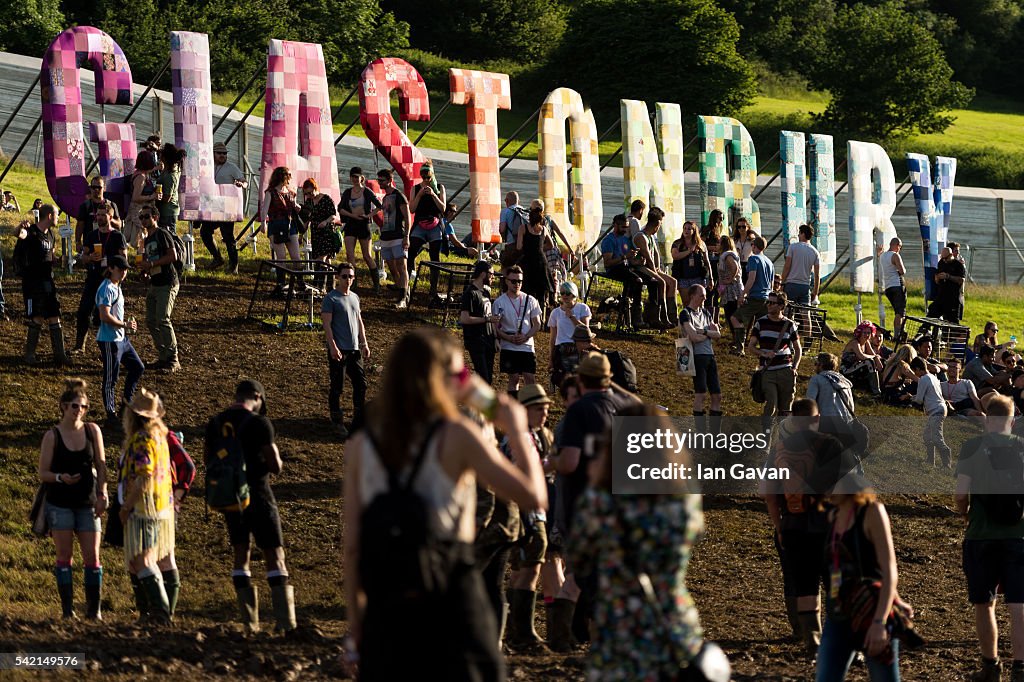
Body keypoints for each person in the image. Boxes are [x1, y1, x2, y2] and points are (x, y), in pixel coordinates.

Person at [343, 328, 546, 679]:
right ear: (443, 380)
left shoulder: (362, 446)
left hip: (387, 607)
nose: (466, 381)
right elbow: (533, 496)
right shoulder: (457, 436)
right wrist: (515, 427)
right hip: (450, 600)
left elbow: (353, 547)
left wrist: (357, 627)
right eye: (460, 374)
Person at [574, 403, 708, 680]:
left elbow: (579, 557)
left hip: (621, 630)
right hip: (676, 626)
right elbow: (696, 535)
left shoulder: (601, 502)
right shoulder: (685, 500)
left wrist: (595, 479)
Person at [549, 353, 635, 651]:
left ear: (581, 380)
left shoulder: (580, 410)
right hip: (622, 509)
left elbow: (570, 462)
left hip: (582, 508)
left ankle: (561, 636)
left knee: (577, 577)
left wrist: (550, 462)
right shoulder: (626, 407)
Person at [206, 379, 296, 634]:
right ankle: (286, 624)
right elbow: (275, 466)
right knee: (275, 556)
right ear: (257, 396)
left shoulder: (215, 422)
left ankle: (249, 624)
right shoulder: (260, 423)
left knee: (240, 556)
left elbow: (207, 459)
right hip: (258, 494)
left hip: (232, 499)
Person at [761, 399, 850, 656]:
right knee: (835, 582)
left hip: (793, 524)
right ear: (817, 418)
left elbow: (768, 493)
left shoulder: (778, 450)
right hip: (828, 525)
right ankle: (836, 637)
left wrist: (779, 525)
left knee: (803, 582)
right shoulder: (832, 445)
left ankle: (810, 633)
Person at [954, 395, 1024, 682]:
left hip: (981, 535)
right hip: (1018, 537)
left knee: (984, 603)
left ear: (986, 418)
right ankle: (1020, 669)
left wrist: (966, 514)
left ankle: (990, 666)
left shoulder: (972, 447)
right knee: (1019, 606)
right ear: (1012, 419)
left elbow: (960, 494)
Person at [817, 476, 905, 681]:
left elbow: (889, 569)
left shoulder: (872, 512)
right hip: (838, 616)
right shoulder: (831, 515)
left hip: (871, 613)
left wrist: (880, 622)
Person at [38, 378, 108, 619]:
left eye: (84, 407)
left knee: (93, 557)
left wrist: (103, 493)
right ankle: (67, 610)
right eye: (75, 406)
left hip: (88, 502)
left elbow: (101, 463)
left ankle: (94, 610)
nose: (80, 411)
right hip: (60, 504)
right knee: (64, 556)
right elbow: (42, 472)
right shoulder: (52, 436)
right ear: (64, 407)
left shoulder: (93, 431)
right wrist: (60, 478)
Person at [118, 388, 175, 624]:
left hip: (144, 508)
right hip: (163, 507)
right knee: (157, 559)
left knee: (141, 560)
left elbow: (143, 475)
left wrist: (126, 506)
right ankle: (157, 612)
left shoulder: (141, 438)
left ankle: (159, 612)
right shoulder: (160, 437)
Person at [505, 384, 554, 652]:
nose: (544, 413)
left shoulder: (539, 435)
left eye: (546, 408)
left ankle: (517, 630)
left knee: (525, 569)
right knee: (530, 567)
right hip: (525, 510)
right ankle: (522, 633)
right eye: (539, 408)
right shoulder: (519, 439)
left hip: (534, 510)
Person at [17, 204, 71, 366]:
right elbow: (18, 234)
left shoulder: (51, 235)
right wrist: (20, 227)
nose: (58, 218)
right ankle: (29, 355)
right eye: (56, 215)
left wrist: (57, 260)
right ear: (49, 216)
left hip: (48, 280)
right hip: (33, 282)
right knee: (38, 317)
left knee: (54, 314)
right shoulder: (32, 232)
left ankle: (60, 355)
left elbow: (50, 254)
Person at [321, 262, 369, 440]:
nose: (348, 280)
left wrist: (363, 343)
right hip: (339, 349)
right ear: (337, 277)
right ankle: (337, 420)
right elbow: (327, 325)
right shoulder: (331, 299)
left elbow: (359, 321)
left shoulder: (355, 297)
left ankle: (358, 419)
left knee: (361, 384)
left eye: (351, 276)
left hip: (354, 349)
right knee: (337, 386)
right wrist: (333, 346)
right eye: (344, 276)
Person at [95, 255, 143, 428]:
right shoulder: (106, 288)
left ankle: (125, 403)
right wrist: (124, 324)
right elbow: (104, 315)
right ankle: (111, 414)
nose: (124, 273)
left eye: (126, 270)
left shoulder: (116, 286)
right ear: (112, 268)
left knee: (138, 367)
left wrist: (127, 326)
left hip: (120, 338)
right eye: (121, 269)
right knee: (111, 378)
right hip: (110, 340)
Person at [73, 201, 127, 353]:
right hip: (92, 279)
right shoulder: (91, 235)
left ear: (110, 216)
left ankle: (110, 347)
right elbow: (83, 257)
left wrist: (117, 276)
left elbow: (124, 260)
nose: (101, 218)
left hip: (109, 281)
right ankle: (79, 346)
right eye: (98, 215)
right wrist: (90, 258)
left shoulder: (117, 236)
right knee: (83, 311)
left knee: (103, 317)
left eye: (104, 215)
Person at [748, 290, 802, 432]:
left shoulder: (790, 325)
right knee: (771, 404)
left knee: (785, 409)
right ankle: (766, 436)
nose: (768, 305)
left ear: (781, 306)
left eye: (772, 303)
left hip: (786, 370)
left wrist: (794, 368)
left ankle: (782, 439)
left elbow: (798, 349)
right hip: (768, 371)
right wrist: (763, 354)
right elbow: (751, 346)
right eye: (768, 302)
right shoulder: (760, 323)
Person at [138, 206, 180, 372]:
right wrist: (146, 272)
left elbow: (173, 256)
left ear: (155, 217)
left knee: (163, 318)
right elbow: (151, 262)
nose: (143, 220)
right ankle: (163, 356)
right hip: (155, 282)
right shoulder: (147, 239)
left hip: (168, 282)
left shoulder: (162, 234)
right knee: (150, 320)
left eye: (146, 216)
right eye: (141, 217)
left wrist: (152, 264)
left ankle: (173, 359)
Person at [199, 141, 248, 274]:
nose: (222, 155)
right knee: (205, 232)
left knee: (228, 237)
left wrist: (241, 184)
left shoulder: (231, 167)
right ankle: (217, 258)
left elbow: (244, 181)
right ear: (213, 154)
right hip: (211, 206)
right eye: (219, 153)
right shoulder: (207, 167)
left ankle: (234, 265)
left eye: (224, 153)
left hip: (227, 207)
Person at [680, 284, 723, 433]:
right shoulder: (685, 313)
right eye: (702, 295)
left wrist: (702, 331)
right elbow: (693, 337)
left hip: (710, 356)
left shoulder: (706, 313)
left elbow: (718, 335)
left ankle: (715, 434)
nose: (705, 297)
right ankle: (700, 432)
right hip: (697, 357)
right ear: (692, 295)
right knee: (701, 394)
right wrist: (708, 333)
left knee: (717, 396)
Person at [493, 265, 543, 396]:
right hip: (509, 344)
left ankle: (530, 408)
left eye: (519, 281)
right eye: (513, 281)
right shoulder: (499, 302)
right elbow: (495, 327)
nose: (517, 284)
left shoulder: (530, 300)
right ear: (506, 281)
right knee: (513, 378)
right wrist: (507, 338)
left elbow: (537, 324)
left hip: (526, 345)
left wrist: (526, 337)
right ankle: (514, 407)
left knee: (530, 378)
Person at [337, 167, 383, 292]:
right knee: (349, 255)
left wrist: (368, 215)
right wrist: (352, 215)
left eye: (357, 177)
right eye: (353, 177)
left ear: (361, 178)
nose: (355, 179)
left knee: (367, 255)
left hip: (363, 224)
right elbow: (340, 208)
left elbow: (379, 206)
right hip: (351, 224)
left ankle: (376, 284)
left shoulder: (366, 191)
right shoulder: (348, 192)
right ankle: (353, 284)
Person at [407, 162, 447, 299]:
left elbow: (443, 209)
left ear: (432, 176)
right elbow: (411, 209)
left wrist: (433, 195)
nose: (426, 180)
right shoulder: (415, 188)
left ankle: (433, 289)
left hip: (435, 224)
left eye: (428, 177)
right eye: (423, 177)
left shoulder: (439, 188)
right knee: (411, 252)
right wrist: (419, 195)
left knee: (434, 257)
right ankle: (406, 285)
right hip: (420, 223)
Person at [600, 213, 646, 330]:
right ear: (615, 225)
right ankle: (635, 315)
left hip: (625, 267)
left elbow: (629, 258)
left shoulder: (625, 239)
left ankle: (634, 310)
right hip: (614, 269)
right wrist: (625, 257)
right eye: (623, 227)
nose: (625, 230)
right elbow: (608, 263)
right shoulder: (609, 240)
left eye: (627, 227)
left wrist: (637, 260)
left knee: (649, 279)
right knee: (636, 280)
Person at [631, 207, 675, 329]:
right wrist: (656, 272)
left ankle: (671, 315)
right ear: (657, 225)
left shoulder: (650, 236)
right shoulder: (641, 236)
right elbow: (648, 257)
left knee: (672, 281)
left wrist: (658, 269)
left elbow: (655, 254)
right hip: (640, 267)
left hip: (650, 267)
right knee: (661, 282)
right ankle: (659, 316)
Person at [260, 166, 302, 294]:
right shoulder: (271, 192)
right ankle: (281, 283)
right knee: (281, 257)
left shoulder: (291, 192)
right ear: (282, 177)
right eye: (288, 176)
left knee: (296, 256)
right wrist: (263, 223)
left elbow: (297, 208)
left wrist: (296, 205)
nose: (290, 178)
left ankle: (299, 282)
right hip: (276, 225)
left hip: (290, 225)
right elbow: (265, 209)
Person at [459, 260, 501, 385]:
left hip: (488, 340)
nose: (493, 277)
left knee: (488, 379)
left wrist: (495, 339)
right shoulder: (470, 293)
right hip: (476, 340)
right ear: (483, 274)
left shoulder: (486, 292)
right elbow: (464, 319)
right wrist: (487, 319)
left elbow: (490, 316)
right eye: (491, 274)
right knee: (483, 378)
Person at [376, 168, 412, 309]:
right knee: (391, 266)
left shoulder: (399, 196)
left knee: (401, 266)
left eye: (382, 180)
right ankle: (402, 290)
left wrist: (406, 236)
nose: (380, 183)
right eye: (379, 180)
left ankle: (403, 297)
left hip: (398, 236)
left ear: (390, 181)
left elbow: (407, 217)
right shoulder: (385, 198)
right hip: (386, 236)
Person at [731, 235, 774, 353]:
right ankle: (765, 347)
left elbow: (752, 278)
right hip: (766, 298)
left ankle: (740, 348)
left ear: (754, 246)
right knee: (762, 324)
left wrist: (743, 294)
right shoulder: (769, 262)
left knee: (735, 318)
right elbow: (771, 283)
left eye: (752, 245)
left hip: (755, 297)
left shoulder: (753, 259)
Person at [299, 177, 340, 289]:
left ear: (315, 188)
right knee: (325, 260)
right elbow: (307, 219)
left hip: (326, 232)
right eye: (306, 193)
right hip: (315, 233)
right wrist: (302, 234)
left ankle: (319, 285)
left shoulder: (326, 199)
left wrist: (325, 221)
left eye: (310, 192)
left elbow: (333, 215)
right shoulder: (309, 202)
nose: (309, 195)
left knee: (321, 259)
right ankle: (330, 285)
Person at [911, 356, 951, 467]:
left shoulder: (923, 379)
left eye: (915, 371)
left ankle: (946, 461)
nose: (915, 374)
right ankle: (930, 461)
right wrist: (911, 397)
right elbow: (927, 395)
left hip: (936, 410)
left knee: (937, 437)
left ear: (918, 369)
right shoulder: (933, 377)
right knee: (927, 436)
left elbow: (919, 400)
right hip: (941, 408)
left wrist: (911, 398)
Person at [547, 280, 591, 381]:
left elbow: (586, 330)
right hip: (561, 349)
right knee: (564, 381)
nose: (565, 296)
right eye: (562, 293)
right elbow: (552, 338)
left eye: (568, 293)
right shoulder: (555, 313)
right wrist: (550, 359)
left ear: (574, 294)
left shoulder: (582, 308)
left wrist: (572, 317)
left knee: (579, 379)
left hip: (577, 348)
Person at [518, 206, 555, 310]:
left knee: (527, 289)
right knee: (541, 291)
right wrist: (540, 248)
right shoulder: (543, 229)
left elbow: (519, 246)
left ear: (529, 218)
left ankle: (526, 312)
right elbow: (551, 245)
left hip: (527, 261)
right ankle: (541, 315)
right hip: (541, 262)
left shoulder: (523, 228)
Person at [75, 176, 122, 250]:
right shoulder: (85, 206)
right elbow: (80, 225)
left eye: (99, 187)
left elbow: (119, 225)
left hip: (109, 243)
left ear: (104, 188)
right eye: (93, 187)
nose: (96, 189)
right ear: (90, 188)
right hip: (90, 244)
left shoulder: (111, 204)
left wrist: (109, 219)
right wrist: (78, 242)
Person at [124, 150, 159, 247]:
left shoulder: (139, 173)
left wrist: (158, 167)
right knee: (139, 240)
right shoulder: (141, 177)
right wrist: (152, 196)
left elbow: (150, 170)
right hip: (139, 211)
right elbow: (136, 197)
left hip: (140, 210)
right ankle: (140, 259)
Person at [670, 220, 712, 302]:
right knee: (686, 303)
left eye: (689, 229)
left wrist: (711, 278)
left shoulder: (701, 244)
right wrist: (688, 251)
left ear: (694, 231)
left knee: (699, 303)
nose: (686, 231)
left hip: (698, 278)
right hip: (683, 278)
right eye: (685, 228)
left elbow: (707, 261)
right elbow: (675, 256)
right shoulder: (678, 243)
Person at [781, 223, 821, 306]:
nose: (798, 235)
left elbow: (787, 267)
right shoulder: (815, 252)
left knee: (789, 311)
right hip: (805, 286)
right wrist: (815, 292)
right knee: (805, 313)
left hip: (791, 284)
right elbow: (817, 275)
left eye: (799, 233)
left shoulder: (792, 247)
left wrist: (782, 282)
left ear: (803, 234)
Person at [841, 322, 883, 397]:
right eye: (864, 332)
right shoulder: (855, 342)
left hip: (856, 368)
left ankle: (882, 386)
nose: (867, 335)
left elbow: (873, 354)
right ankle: (876, 392)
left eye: (869, 333)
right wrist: (875, 357)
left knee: (879, 361)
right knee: (869, 362)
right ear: (860, 332)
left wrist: (877, 359)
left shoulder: (866, 342)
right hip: (846, 370)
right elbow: (861, 356)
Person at [926, 244, 966, 323]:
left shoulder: (958, 265)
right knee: (931, 314)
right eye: (942, 258)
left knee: (951, 322)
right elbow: (937, 276)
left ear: (951, 255)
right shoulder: (941, 263)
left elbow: (961, 280)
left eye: (946, 258)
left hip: (952, 299)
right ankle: (923, 331)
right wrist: (937, 278)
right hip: (941, 296)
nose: (944, 260)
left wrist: (948, 277)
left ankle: (953, 334)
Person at [879, 238, 907, 337]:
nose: (900, 249)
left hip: (888, 287)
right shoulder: (895, 255)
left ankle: (901, 332)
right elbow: (902, 271)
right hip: (897, 285)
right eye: (900, 246)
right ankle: (897, 335)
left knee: (897, 311)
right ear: (896, 245)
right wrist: (899, 271)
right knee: (900, 312)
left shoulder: (882, 256)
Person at [157, 143, 186, 230]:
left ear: (166, 158)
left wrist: (152, 196)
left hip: (168, 212)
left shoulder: (170, 175)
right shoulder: (169, 169)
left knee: (169, 237)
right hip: (167, 210)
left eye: (161, 154)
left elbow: (167, 198)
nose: (160, 156)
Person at [700, 209, 724, 311]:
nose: (721, 220)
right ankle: (708, 310)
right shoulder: (708, 229)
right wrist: (714, 248)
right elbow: (701, 243)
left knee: (717, 287)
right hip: (710, 258)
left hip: (718, 258)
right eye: (720, 218)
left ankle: (715, 311)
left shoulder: (719, 228)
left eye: (722, 218)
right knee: (711, 286)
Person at [718, 235, 743, 328]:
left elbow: (734, 266)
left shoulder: (727, 255)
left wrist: (730, 279)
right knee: (731, 315)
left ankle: (737, 337)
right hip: (727, 289)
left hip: (732, 290)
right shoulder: (727, 254)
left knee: (732, 314)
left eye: (719, 243)